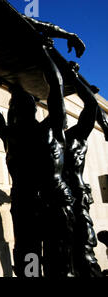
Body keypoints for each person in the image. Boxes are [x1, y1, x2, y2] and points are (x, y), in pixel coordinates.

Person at [0, 40, 75, 276]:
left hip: (37, 204)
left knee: (38, 257)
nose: (13, 109)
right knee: (37, 257)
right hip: (32, 205)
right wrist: (46, 56)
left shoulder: (24, 133)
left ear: (18, 110)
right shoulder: (25, 132)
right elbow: (56, 92)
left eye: (14, 105)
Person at [62, 66, 104, 277]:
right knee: (67, 256)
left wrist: (75, 78)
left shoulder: (76, 136)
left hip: (76, 196)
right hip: (60, 201)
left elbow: (91, 104)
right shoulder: (51, 137)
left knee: (85, 253)